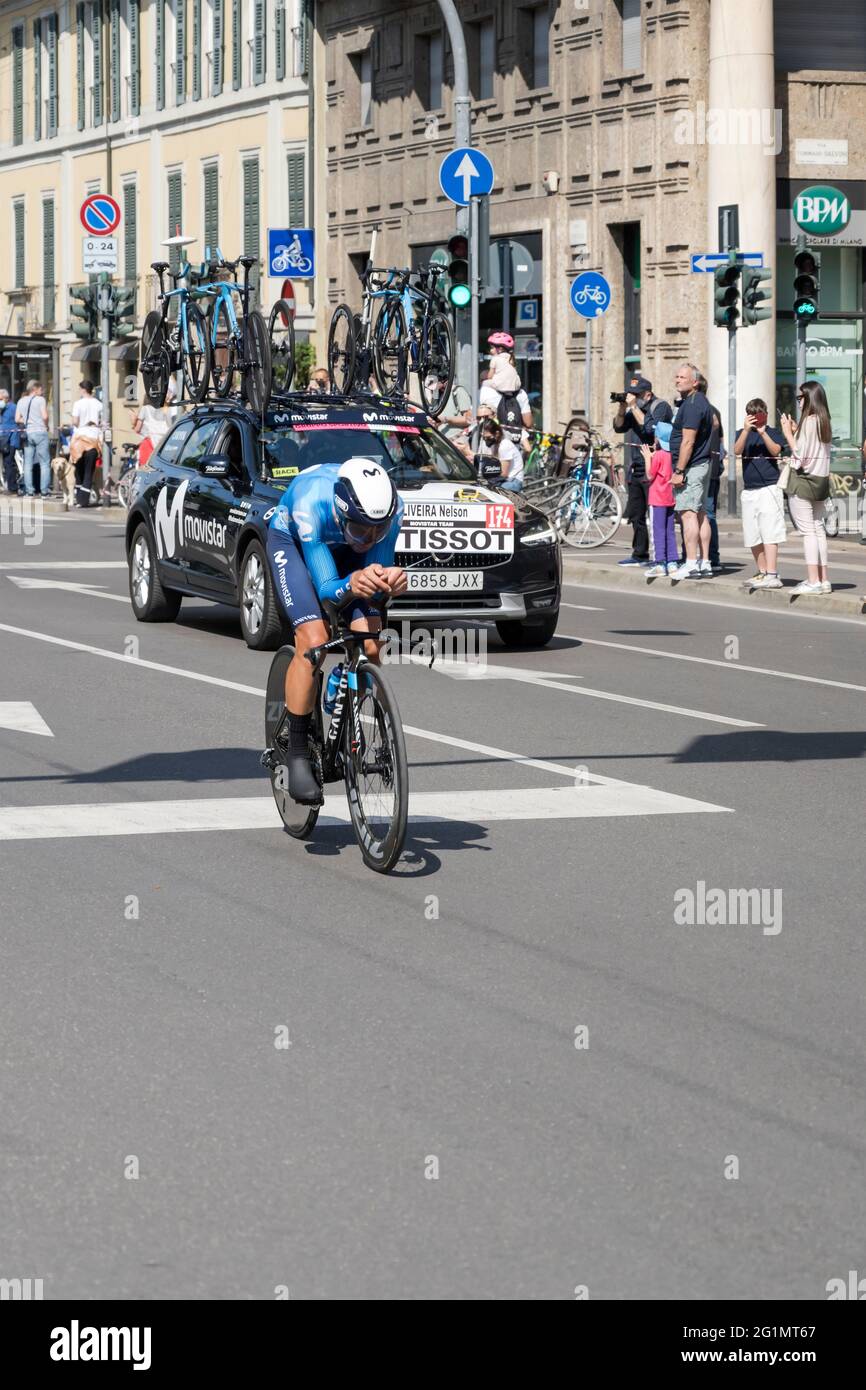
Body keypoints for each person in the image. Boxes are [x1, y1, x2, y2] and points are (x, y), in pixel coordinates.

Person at [266, 458, 406, 803]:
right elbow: (328, 588)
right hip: (295, 545)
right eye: (361, 530)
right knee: (314, 640)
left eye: (378, 531)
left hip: (341, 552)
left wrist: (391, 579)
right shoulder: (310, 502)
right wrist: (354, 581)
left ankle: (345, 686)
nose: (368, 539)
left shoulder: (392, 508)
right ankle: (297, 751)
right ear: (342, 512)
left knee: (371, 647)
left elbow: (377, 569)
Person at [612, 373, 673, 566]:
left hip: (654, 468)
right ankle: (640, 554)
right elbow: (619, 427)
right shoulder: (634, 409)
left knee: (656, 514)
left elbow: (651, 429)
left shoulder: (660, 407)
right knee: (637, 515)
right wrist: (623, 408)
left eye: (636, 394)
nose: (633, 397)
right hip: (636, 467)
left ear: (647, 394)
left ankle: (661, 556)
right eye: (630, 394)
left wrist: (632, 407)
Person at [780, 380, 832, 595]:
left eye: (800, 398)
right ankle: (823, 579)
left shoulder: (809, 421)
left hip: (803, 481)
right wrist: (797, 431)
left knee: (808, 532)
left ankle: (813, 581)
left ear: (809, 398)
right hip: (821, 480)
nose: (798, 402)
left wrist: (789, 434)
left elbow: (800, 457)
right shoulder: (823, 420)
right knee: (818, 529)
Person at [733, 397, 787, 589]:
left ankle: (772, 573)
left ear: (765, 414)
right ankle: (762, 571)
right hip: (749, 490)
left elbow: (776, 451)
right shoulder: (742, 432)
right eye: (752, 415)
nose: (756, 418)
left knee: (770, 532)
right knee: (752, 534)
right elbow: (737, 451)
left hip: (769, 488)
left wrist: (763, 434)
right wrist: (747, 430)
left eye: (759, 414)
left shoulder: (772, 432)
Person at [668, 363, 715, 580]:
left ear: (694, 381)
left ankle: (691, 563)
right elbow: (713, 424)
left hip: (692, 467)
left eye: (682, 377)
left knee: (688, 514)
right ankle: (704, 562)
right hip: (701, 464)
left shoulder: (693, 404)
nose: (677, 380)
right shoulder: (699, 402)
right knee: (701, 514)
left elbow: (688, 441)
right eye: (676, 376)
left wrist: (679, 470)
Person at [477, 332, 533, 445]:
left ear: (499, 349)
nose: (490, 350)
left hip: (491, 444)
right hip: (513, 446)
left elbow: (479, 415)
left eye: (492, 347)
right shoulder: (520, 393)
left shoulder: (486, 390)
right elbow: (528, 423)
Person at [641, 420, 677, 577]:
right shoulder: (672, 455)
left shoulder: (659, 455)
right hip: (670, 499)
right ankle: (672, 561)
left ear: (658, 439)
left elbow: (650, 475)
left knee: (657, 531)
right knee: (670, 531)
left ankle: (660, 563)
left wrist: (647, 458)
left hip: (657, 499)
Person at [696, 373, 723, 573]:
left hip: (702, 469)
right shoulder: (714, 411)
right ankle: (711, 557)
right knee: (707, 514)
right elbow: (720, 442)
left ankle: (708, 557)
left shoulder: (698, 409)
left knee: (702, 514)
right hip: (712, 468)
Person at [70, 379, 103, 507]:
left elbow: (75, 421)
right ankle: (83, 500)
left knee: (79, 470)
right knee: (89, 470)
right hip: (93, 439)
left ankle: (79, 498)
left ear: (83, 390)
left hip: (80, 440)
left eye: (80, 389)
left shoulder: (78, 404)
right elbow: (103, 422)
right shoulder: (99, 404)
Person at [15, 380, 51, 498]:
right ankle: (44, 491)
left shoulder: (21, 401)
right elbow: (45, 416)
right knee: (44, 462)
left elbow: (17, 419)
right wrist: (45, 424)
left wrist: (27, 421)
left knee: (28, 463)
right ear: (34, 389)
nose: (42, 392)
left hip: (28, 433)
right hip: (40, 431)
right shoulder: (40, 400)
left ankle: (29, 491)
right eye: (41, 390)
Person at [479, 418, 524, 492]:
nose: (486, 440)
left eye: (488, 437)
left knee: (490, 490)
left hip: (512, 481)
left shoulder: (504, 445)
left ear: (497, 434)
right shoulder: (493, 445)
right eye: (484, 438)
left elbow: (503, 473)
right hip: (503, 480)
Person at [131, 400, 171, 466]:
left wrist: (133, 427)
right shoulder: (165, 408)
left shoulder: (145, 409)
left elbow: (137, 428)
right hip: (162, 440)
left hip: (149, 442)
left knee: (145, 467)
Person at [0, 389, 20, 494]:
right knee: (7, 463)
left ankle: (12, 488)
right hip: (3, 439)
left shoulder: (13, 407)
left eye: (0, 398)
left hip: (10, 440)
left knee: (9, 463)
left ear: (6, 398)